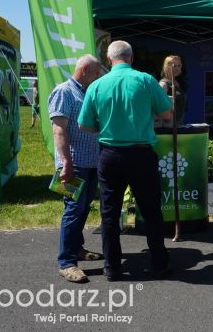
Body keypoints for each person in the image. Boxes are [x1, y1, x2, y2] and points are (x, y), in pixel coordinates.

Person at [78, 41, 173, 281]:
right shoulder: (146, 80)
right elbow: (167, 113)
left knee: (109, 214)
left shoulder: (97, 85)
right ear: (132, 58)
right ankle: (159, 264)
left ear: (109, 61)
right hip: (141, 154)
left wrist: (105, 125)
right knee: (151, 211)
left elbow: (84, 124)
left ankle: (112, 268)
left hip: (109, 155)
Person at [49, 55, 103, 283]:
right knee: (73, 210)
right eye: (95, 73)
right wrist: (65, 163)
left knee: (82, 209)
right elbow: (59, 130)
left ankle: (77, 248)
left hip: (91, 163)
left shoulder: (85, 91)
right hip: (74, 164)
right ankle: (67, 262)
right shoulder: (64, 92)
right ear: (83, 70)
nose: (98, 77)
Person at [158, 55, 187, 127]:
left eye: (179, 65)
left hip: (178, 124)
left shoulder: (177, 82)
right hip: (169, 127)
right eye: (174, 66)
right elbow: (158, 106)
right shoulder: (163, 84)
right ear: (167, 67)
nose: (177, 68)